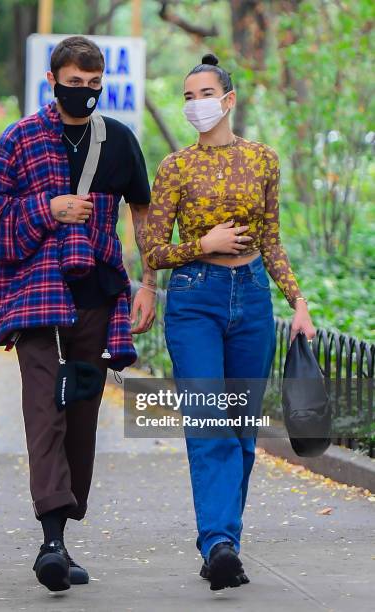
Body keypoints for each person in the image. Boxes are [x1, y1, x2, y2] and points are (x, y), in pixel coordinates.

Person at [0, 35, 156, 592]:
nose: (85, 94)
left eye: (95, 86)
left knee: (82, 412)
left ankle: (63, 531)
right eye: (75, 84)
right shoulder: (19, 139)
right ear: (53, 81)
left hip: (96, 293)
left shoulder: (117, 140)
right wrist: (47, 209)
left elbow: (142, 211)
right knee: (44, 406)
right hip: (36, 295)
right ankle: (51, 542)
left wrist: (148, 282)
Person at [145, 53, 315, 591]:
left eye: (205, 94)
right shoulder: (175, 167)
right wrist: (204, 245)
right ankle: (217, 540)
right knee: (208, 422)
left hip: (254, 299)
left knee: (242, 431)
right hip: (195, 300)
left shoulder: (263, 160)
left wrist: (300, 304)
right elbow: (152, 246)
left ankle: (225, 545)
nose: (196, 105)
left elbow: (271, 238)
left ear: (229, 99)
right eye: (188, 97)